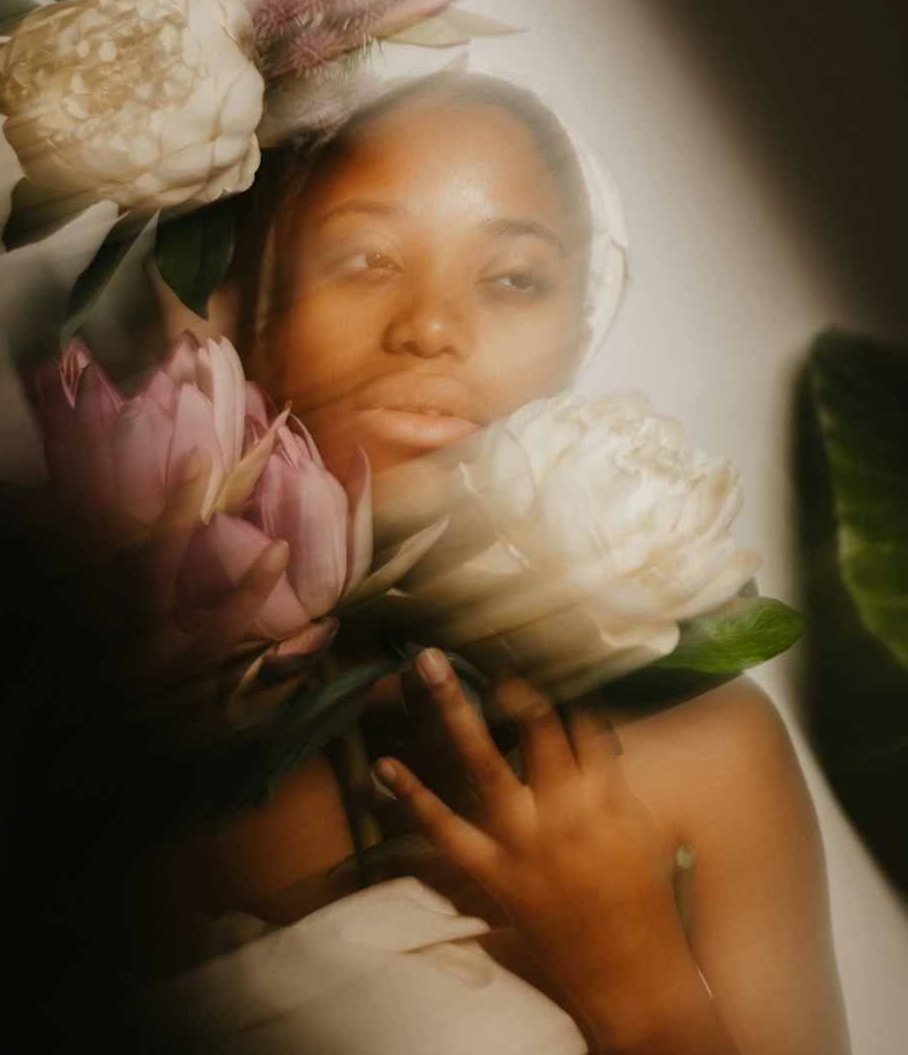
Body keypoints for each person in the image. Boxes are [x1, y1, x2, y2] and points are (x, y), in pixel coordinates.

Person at [143, 71, 849, 1055]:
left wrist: (638, 984)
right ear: (257, 312)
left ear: (575, 341)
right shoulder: (118, 702)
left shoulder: (710, 753)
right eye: (363, 257)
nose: (429, 327)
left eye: (513, 276)